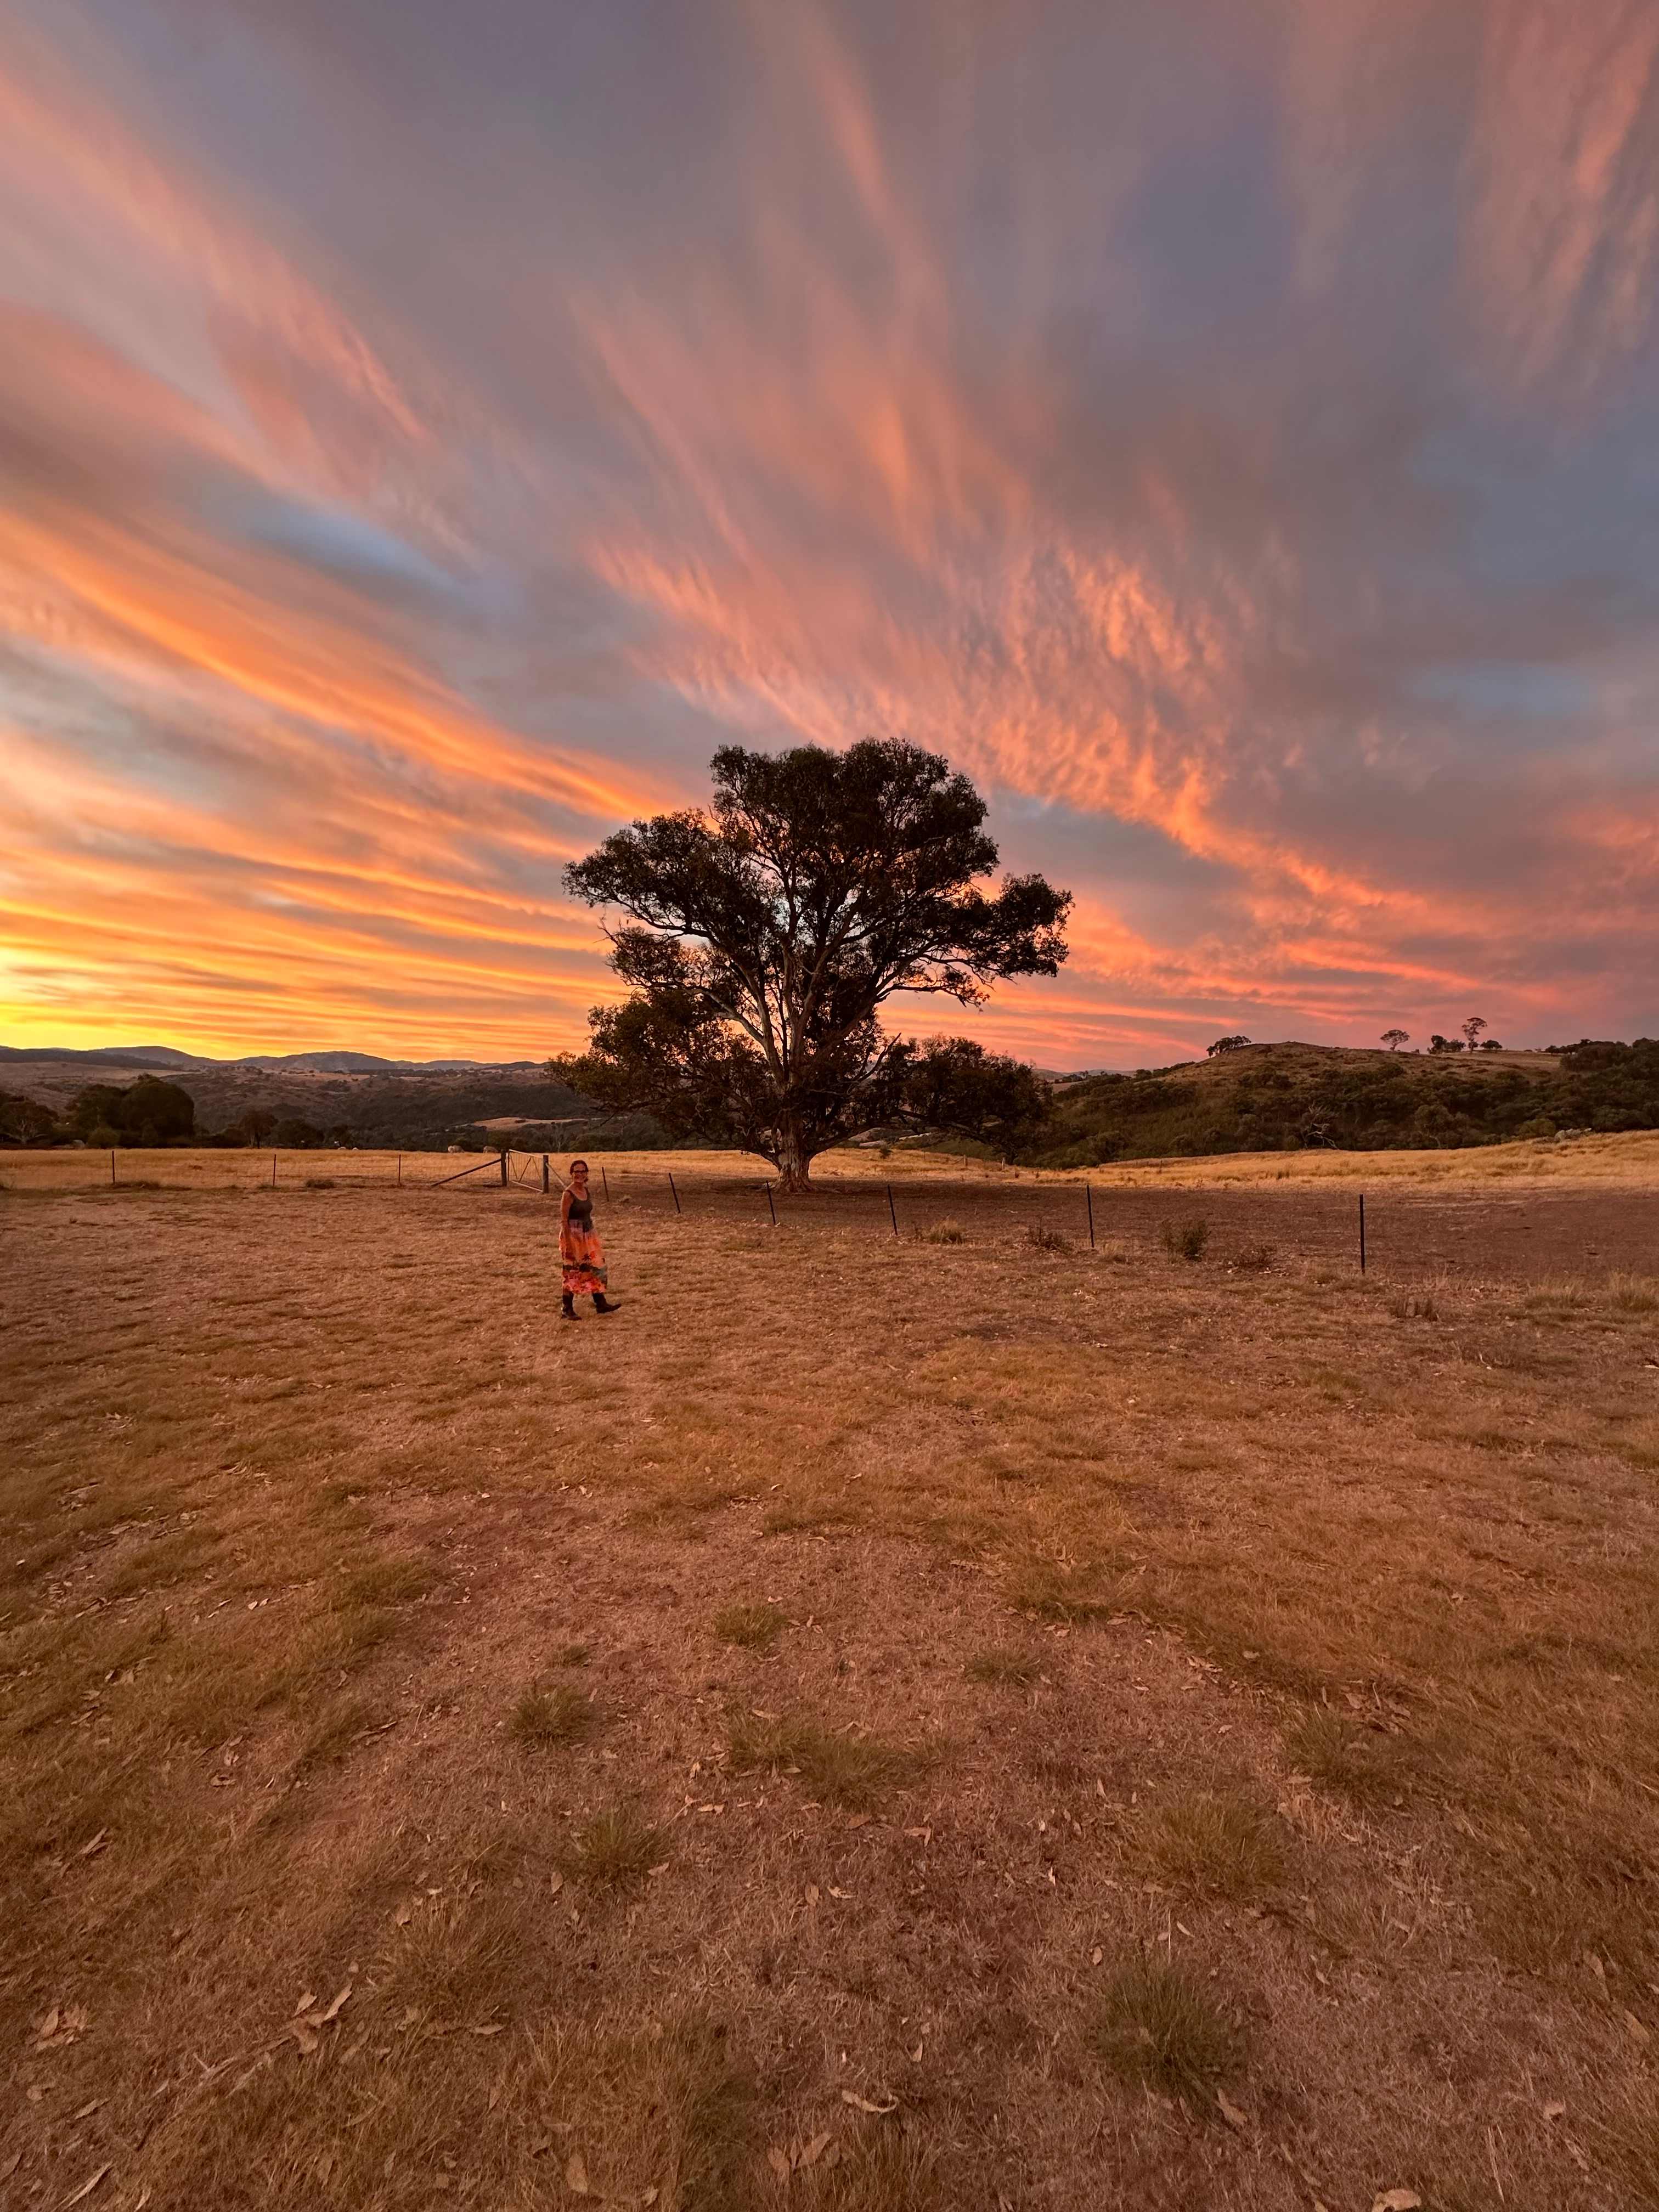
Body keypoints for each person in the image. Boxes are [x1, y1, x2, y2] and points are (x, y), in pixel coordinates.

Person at [560, 1160, 618, 1318]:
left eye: (583, 1171)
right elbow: (564, 1220)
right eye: (576, 1171)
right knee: (573, 1271)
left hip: (588, 1234)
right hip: (574, 1236)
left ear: (587, 1173)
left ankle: (601, 1304)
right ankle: (567, 1309)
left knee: (596, 1267)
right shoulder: (568, 1194)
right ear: (571, 1174)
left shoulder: (586, 1190)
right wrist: (568, 1244)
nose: (580, 1174)